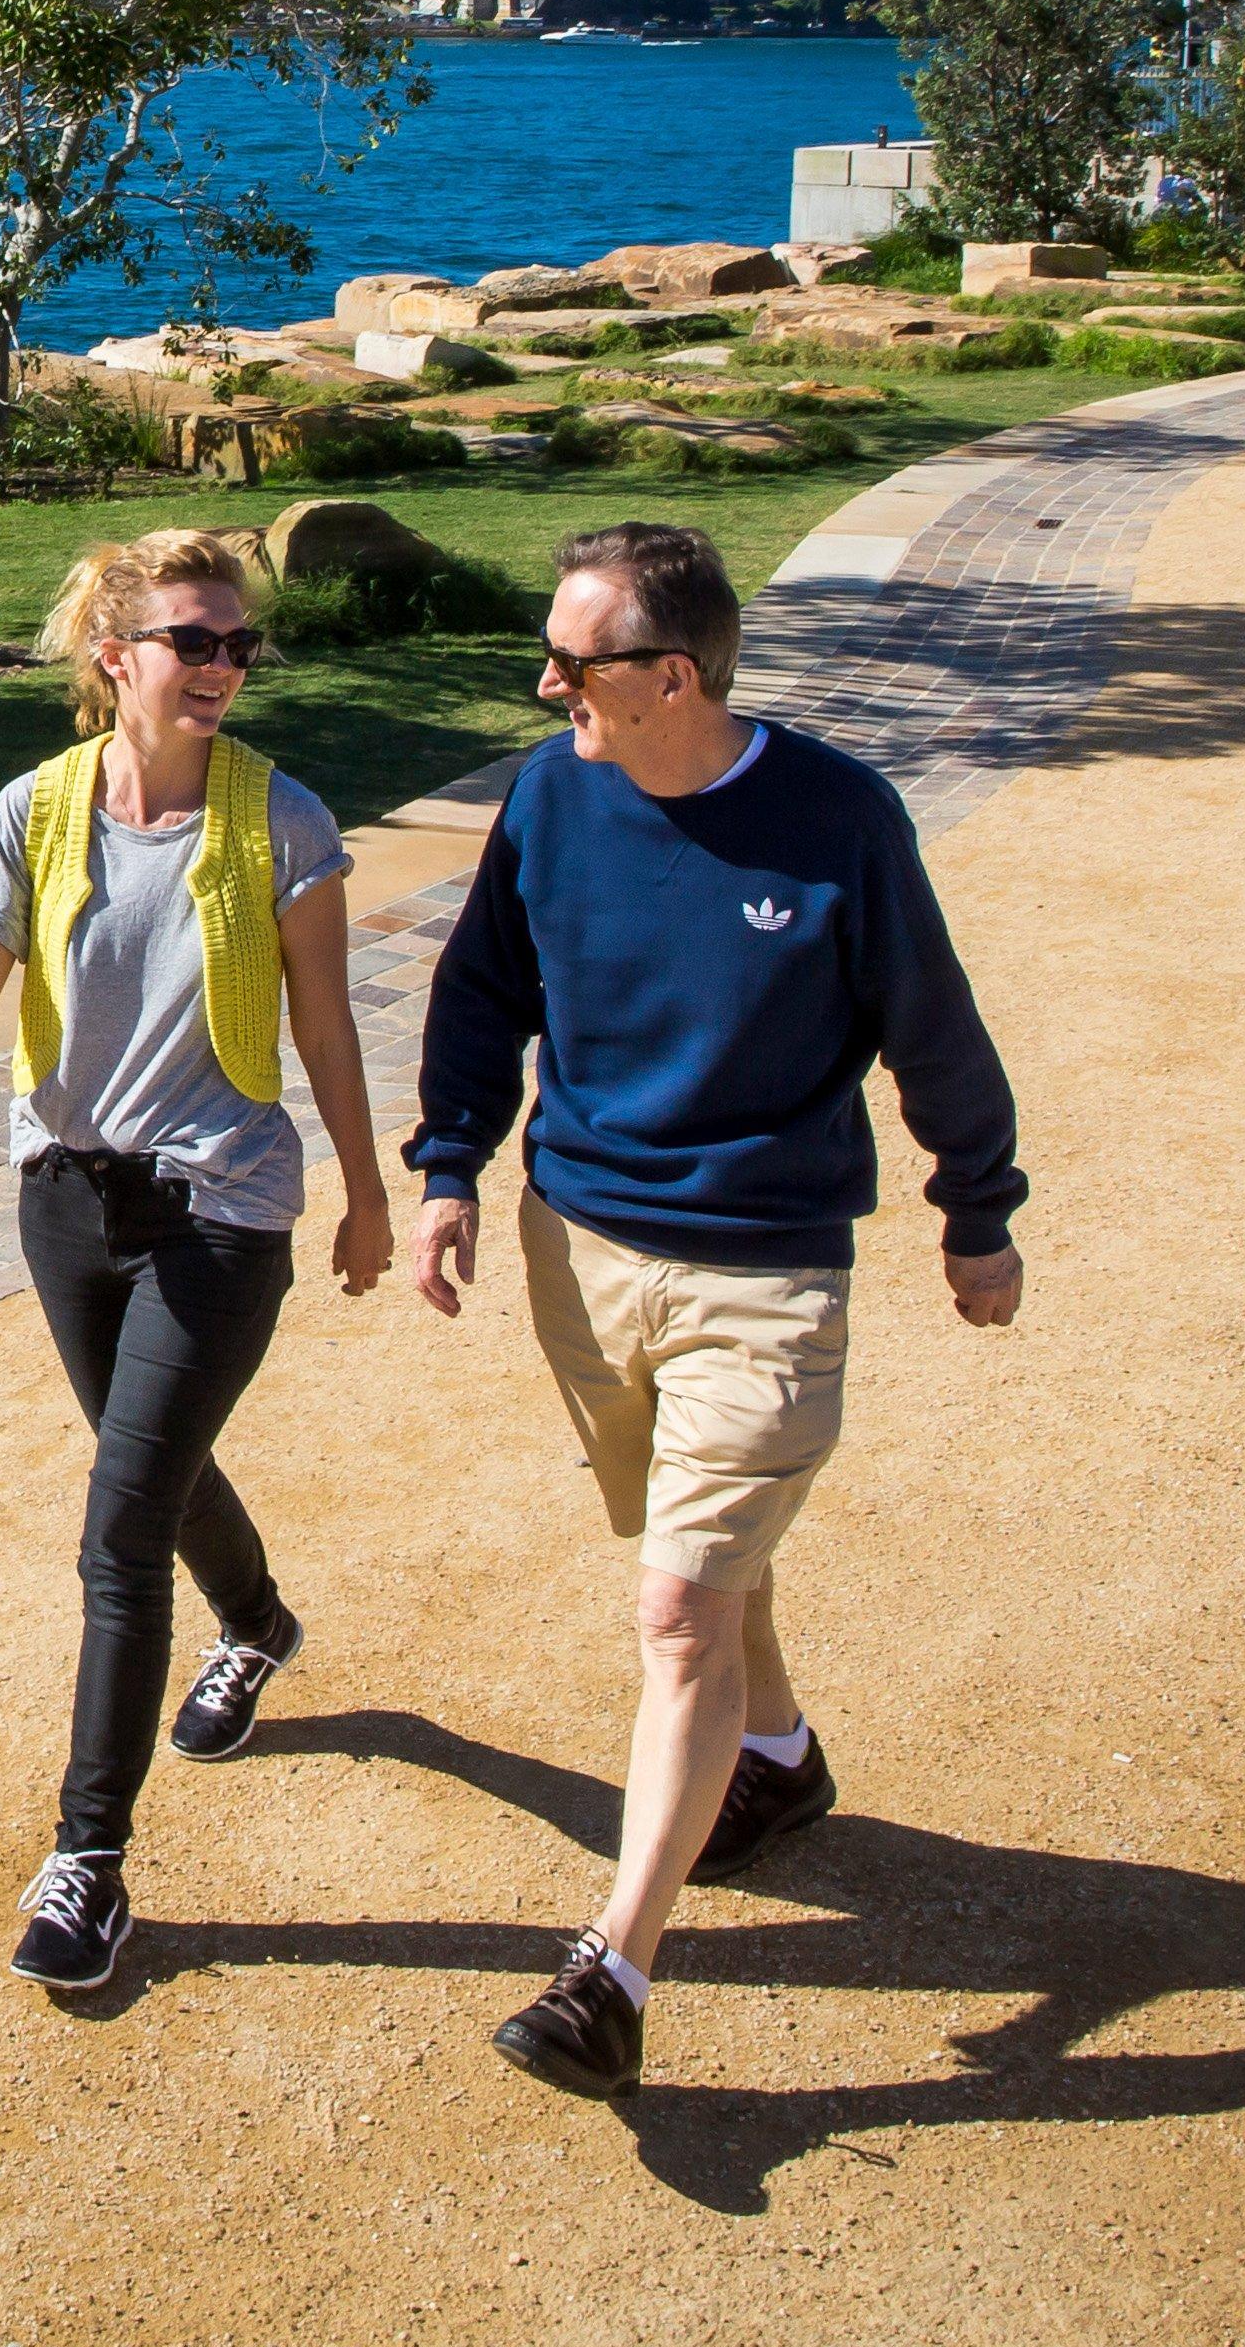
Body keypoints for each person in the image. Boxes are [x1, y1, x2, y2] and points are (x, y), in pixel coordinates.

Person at [409, 521, 1026, 2096]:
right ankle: (780, 1759)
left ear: (670, 676)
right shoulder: (551, 790)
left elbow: (929, 1025)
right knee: (702, 1560)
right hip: (583, 1253)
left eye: (575, 660)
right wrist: (450, 1169)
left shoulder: (836, 821)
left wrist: (978, 1213)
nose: (547, 682)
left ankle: (611, 1966)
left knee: (678, 1609)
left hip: (765, 1271)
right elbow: (485, 987)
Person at [0, 527, 394, 1991]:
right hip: (65, 1201)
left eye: (240, 643)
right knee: (147, 1462)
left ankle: (87, 1864)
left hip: (221, 1211)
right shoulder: (36, 812)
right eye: (197, 640)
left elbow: (324, 1025)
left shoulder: (283, 819)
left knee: (119, 1525)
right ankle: (261, 1622)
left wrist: (366, 1191)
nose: (227, 665)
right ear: (117, 658)